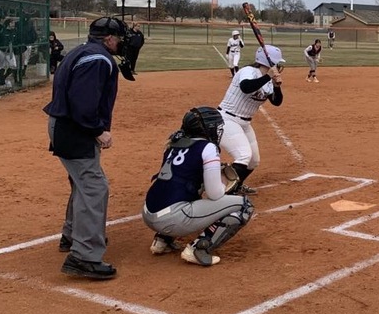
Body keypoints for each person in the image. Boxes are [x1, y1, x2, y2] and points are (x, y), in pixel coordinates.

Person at [43, 17, 142, 280]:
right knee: (94, 185)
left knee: (82, 182)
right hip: (74, 127)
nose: (121, 42)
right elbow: (83, 102)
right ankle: (85, 256)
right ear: (108, 38)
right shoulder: (98, 59)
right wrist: (98, 130)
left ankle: (72, 234)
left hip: (67, 125)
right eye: (119, 38)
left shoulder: (84, 51)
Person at [142, 107, 255, 267]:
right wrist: (223, 183)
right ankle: (199, 249)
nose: (218, 130)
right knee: (244, 206)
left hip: (148, 212)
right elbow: (215, 194)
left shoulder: (174, 142)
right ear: (207, 128)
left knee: (189, 184)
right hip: (172, 219)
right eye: (215, 126)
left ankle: (162, 240)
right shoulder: (208, 148)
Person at [217, 44, 284, 195]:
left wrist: (276, 85)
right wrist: (268, 76)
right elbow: (245, 87)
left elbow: (277, 102)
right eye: (277, 63)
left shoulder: (268, 80)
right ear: (269, 63)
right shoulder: (248, 71)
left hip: (244, 123)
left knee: (253, 160)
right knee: (243, 155)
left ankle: (236, 185)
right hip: (227, 119)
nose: (279, 66)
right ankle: (219, 192)